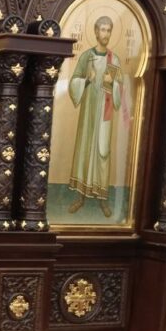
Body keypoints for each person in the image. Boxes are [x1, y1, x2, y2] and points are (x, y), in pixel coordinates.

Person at [67, 15, 123, 218]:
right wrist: (87, 80)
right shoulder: (86, 57)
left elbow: (120, 91)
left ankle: (103, 199)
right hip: (88, 114)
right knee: (85, 149)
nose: (106, 34)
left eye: (109, 30)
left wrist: (112, 83)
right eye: (103, 29)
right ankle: (80, 197)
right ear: (96, 31)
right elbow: (73, 82)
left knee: (102, 152)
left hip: (104, 117)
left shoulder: (114, 60)